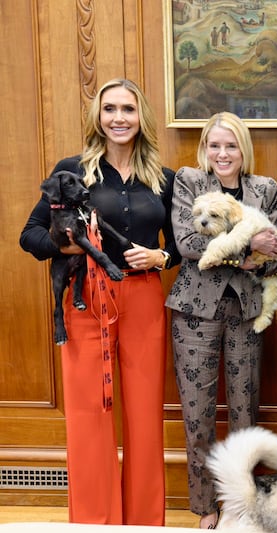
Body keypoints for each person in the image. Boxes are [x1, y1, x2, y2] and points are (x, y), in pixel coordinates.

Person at [19, 78, 179, 525]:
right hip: (87, 299)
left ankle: (145, 523)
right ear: (98, 117)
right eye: (110, 109)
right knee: (89, 413)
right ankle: (94, 524)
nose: (118, 118)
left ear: (141, 117)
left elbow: (181, 244)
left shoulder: (163, 178)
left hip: (144, 298)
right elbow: (30, 235)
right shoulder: (72, 170)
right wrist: (66, 246)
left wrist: (162, 256)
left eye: (128, 109)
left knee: (145, 414)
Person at [167, 111, 277, 529]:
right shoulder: (188, 181)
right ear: (205, 148)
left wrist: (258, 253)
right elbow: (188, 242)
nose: (223, 153)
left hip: (247, 313)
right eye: (214, 145)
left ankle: (240, 503)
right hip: (194, 313)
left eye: (231, 145)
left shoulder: (265, 189)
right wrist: (249, 249)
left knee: (244, 413)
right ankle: (205, 505)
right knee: (197, 414)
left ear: (243, 149)